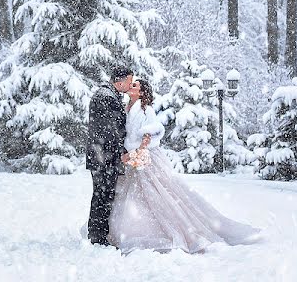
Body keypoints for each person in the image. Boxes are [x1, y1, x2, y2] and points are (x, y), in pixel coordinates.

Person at [107, 78, 261, 253]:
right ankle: (128, 231)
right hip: (130, 160)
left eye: (135, 85)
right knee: (134, 196)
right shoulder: (127, 108)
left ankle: (159, 233)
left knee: (158, 194)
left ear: (141, 92)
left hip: (144, 157)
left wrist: (137, 153)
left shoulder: (146, 109)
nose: (130, 86)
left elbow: (148, 135)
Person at [85, 67, 132, 246]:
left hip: (103, 155)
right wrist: (121, 152)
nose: (129, 85)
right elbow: (109, 130)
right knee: (102, 196)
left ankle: (98, 235)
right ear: (119, 81)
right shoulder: (105, 97)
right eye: (129, 81)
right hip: (103, 156)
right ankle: (97, 237)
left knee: (104, 195)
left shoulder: (109, 95)